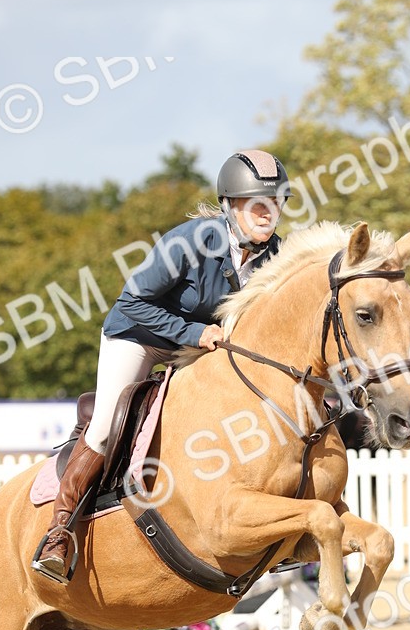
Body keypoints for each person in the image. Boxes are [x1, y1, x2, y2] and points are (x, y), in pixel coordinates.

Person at [32, 149, 292, 582]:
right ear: (230, 206)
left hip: (199, 347)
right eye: (257, 204)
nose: (269, 213)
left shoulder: (275, 255)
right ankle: (60, 531)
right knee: (105, 426)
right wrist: (194, 334)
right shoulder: (190, 240)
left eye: (276, 203)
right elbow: (132, 303)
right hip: (139, 336)